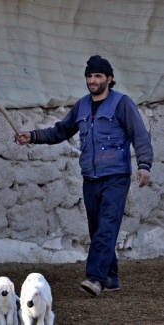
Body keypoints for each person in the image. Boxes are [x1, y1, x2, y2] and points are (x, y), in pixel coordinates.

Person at [15, 55, 153, 296]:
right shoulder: (82, 106)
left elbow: (139, 135)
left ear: (109, 79)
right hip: (90, 178)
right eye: (89, 76)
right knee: (97, 229)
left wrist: (144, 165)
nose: (92, 80)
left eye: (98, 76)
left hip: (116, 177)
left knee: (107, 228)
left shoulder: (122, 103)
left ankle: (95, 279)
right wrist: (33, 136)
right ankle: (111, 278)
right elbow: (61, 131)